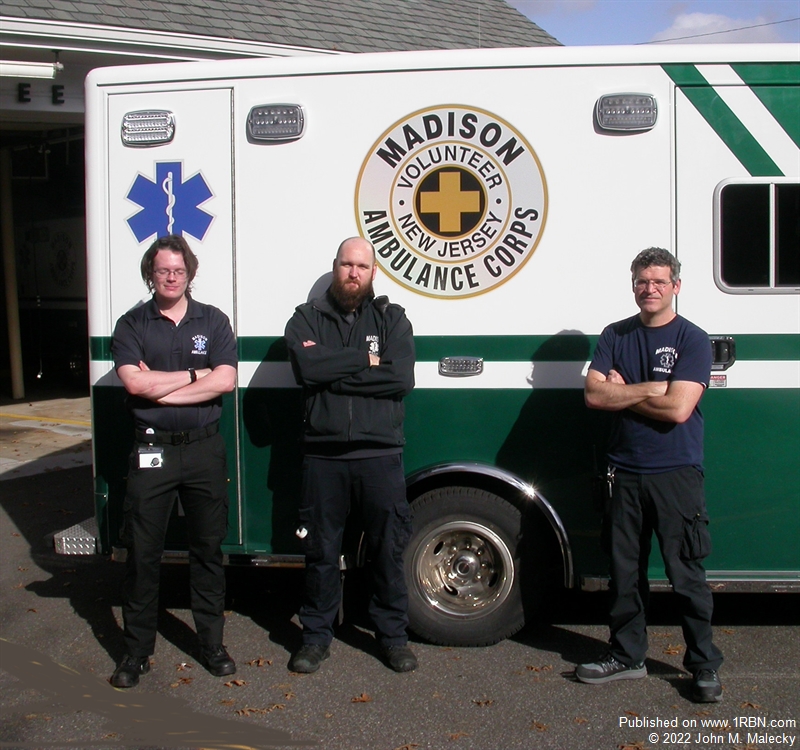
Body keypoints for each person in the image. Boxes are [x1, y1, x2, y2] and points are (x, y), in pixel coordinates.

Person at [575, 247, 723, 703]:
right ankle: (627, 656)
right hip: (624, 474)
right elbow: (593, 397)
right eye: (642, 280)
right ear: (633, 284)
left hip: (676, 475)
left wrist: (622, 391)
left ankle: (703, 666)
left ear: (676, 286)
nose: (650, 288)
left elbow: (678, 409)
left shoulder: (692, 339)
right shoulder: (615, 334)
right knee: (624, 575)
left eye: (659, 281)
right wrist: (649, 389)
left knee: (687, 577)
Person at [284, 236, 417, 674]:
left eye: (362, 266)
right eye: (346, 264)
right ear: (335, 267)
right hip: (323, 457)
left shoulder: (392, 318)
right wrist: (365, 361)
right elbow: (308, 369)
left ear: (373, 271)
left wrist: (333, 373)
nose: (353, 273)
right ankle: (316, 637)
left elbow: (400, 379)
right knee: (321, 552)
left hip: (379, 455)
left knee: (386, 550)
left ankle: (393, 638)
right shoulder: (306, 319)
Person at [110, 235, 238, 688]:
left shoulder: (214, 320)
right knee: (143, 555)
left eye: (178, 271)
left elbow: (225, 380)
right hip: (152, 450)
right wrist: (191, 376)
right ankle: (136, 653)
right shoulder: (131, 325)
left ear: (190, 273)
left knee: (207, 550)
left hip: (204, 449)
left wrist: (160, 387)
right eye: (163, 270)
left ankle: (211, 644)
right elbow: (134, 387)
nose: (171, 277)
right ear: (151, 273)